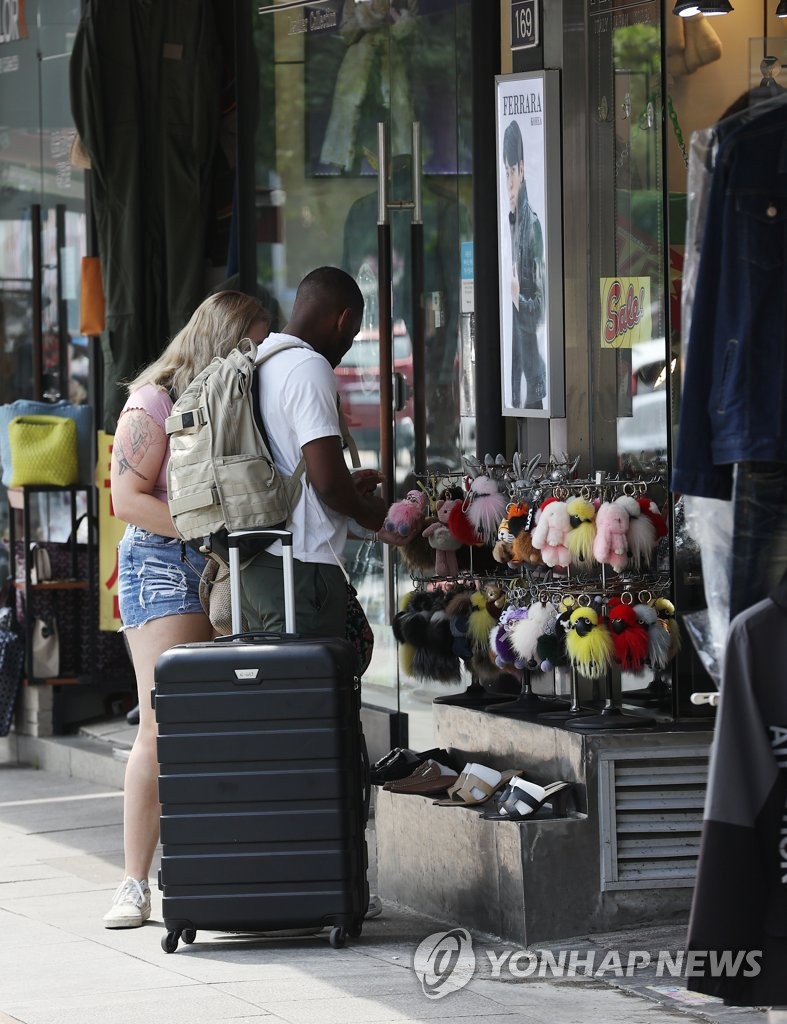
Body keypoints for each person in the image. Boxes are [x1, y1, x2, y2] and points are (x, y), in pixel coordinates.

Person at [104, 291, 272, 928]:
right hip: (165, 561)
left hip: (224, 561)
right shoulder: (154, 400)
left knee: (216, 721)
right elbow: (125, 497)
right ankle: (132, 882)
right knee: (162, 720)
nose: (256, 354)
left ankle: (200, 859)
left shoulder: (236, 397)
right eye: (249, 341)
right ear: (222, 339)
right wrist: (203, 528)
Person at [240, 266, 387, 639]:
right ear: (345, 319)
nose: (347, 347)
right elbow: (327, 485)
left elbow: (289, 464)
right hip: (301, 568)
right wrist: (376, 515)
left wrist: (345, 485)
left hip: (257, 566)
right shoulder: (309, 366)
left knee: (279, 690)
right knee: (310, 692)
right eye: (352, 337)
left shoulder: (259, 359)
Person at [503, 119, 546, 410]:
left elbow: (540, 310)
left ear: (521, 169)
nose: (508, 184)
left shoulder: (530, 227)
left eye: (511, 173)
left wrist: (517, 295)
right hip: (520, 380)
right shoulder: (511, 223)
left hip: (532, 383)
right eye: (504, 173)